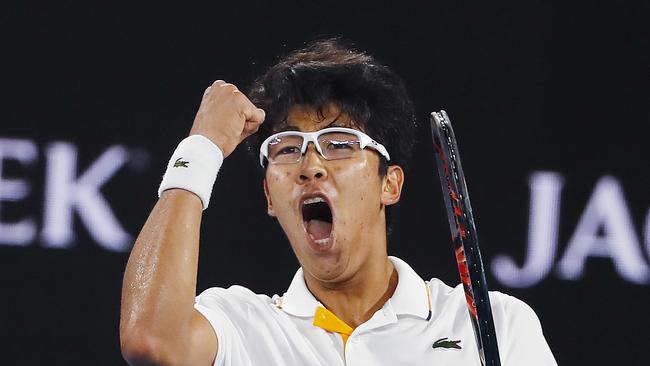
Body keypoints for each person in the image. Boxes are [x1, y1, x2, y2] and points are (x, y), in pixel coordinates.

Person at [119, 39, 557, 366]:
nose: (311, 165)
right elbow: (151, 340)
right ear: (270, 195)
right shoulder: (241, 326)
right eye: (288, 148)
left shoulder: (494, 324)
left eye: (339, 143)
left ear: (391, 184)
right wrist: (203, 146)